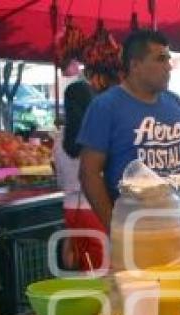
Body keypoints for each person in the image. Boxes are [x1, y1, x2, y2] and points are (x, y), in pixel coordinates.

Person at [77, 29, 180, 229]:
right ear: (135, 65)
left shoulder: (176, 103)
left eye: (169, 60)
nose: (168, 67)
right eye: (160, 59)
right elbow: (89, 173)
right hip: (135, 227)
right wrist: (114, 227)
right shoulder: (105, 106)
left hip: (178, 222)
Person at [53, 77, 108, 270]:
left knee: (86, 271)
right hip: (97, 209)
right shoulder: (99, 133)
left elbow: (59, 179)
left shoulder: (59, 138)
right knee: (104, 273)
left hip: (71, 211)